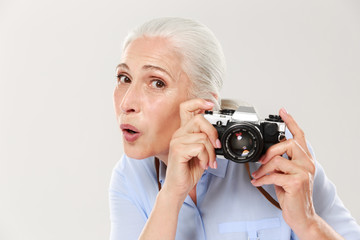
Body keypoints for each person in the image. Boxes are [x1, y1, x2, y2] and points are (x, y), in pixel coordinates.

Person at [109, 17, 360, 240]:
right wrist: (171, 195)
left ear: (203, 105)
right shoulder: (130, 176)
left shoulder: (283, 159)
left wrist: (308, 222)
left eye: (157, 83)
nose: (127, 103)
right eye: (124, 78)